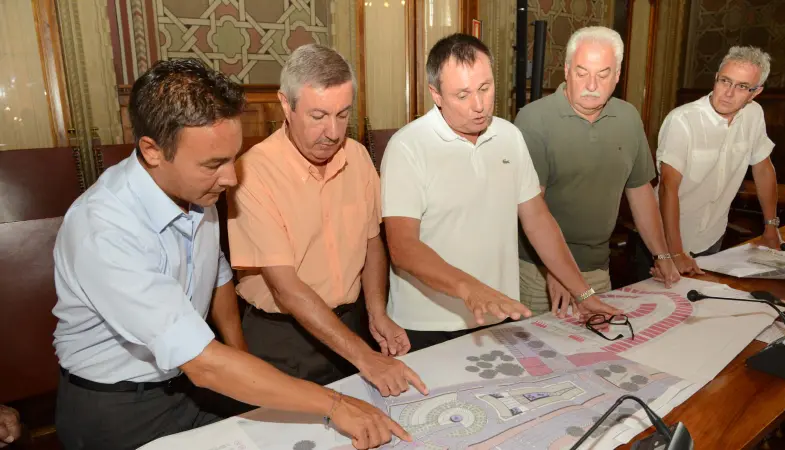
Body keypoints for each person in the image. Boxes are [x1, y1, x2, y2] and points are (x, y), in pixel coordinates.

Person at [52, 58, 410, 450]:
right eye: (214, 164)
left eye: (231, 156)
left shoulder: (195, 187)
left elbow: (218, 274)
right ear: (152, 151)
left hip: (189, 386)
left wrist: (240, 354)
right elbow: (203, 363)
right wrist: (335, 404)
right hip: (119, 408)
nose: (232, 177)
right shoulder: (104, 228)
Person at [380, 33, 621, 353]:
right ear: (435, 94)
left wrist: (584, 294)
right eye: (462, 95)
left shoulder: (510, 137)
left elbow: (538, 220)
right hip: (427, 324)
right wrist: (469, 289)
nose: (478, 106)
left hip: (499, 316)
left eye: (485, 88)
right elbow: (402, 246)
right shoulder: (408, 147)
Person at [227, 44, 427, 398]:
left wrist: (377, 312)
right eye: (318, 116)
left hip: (351, 327)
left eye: (342, 114)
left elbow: (371, 244)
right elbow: (285, 288)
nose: (333, 132)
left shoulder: (358, 156)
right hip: (285, 340)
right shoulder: (253, 172)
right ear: (286, 105)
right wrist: (365, 358)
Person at [513, 26, 681, 314]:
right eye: (581, 73)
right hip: (541, 271)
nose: (592, 84)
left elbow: (641, 193)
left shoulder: (628, 118)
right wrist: (556, 270)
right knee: (541, 356)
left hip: (597, 269)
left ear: (617, 76)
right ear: (566, 71)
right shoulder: (534, 120)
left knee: (599, 353)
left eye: (603, 74)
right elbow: (531, 209)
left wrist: (663, 253)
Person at [656, 46, 780, 275]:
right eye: (725, 81)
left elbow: (763, 168)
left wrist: (771, 226)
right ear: (716, 78)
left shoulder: (754, 115)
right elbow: (667, 187)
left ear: (755, 92)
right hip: (664, 241)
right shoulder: (683, 120)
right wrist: (675, 252)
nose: (729, 93)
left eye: (742, 86)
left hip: (713, 236)